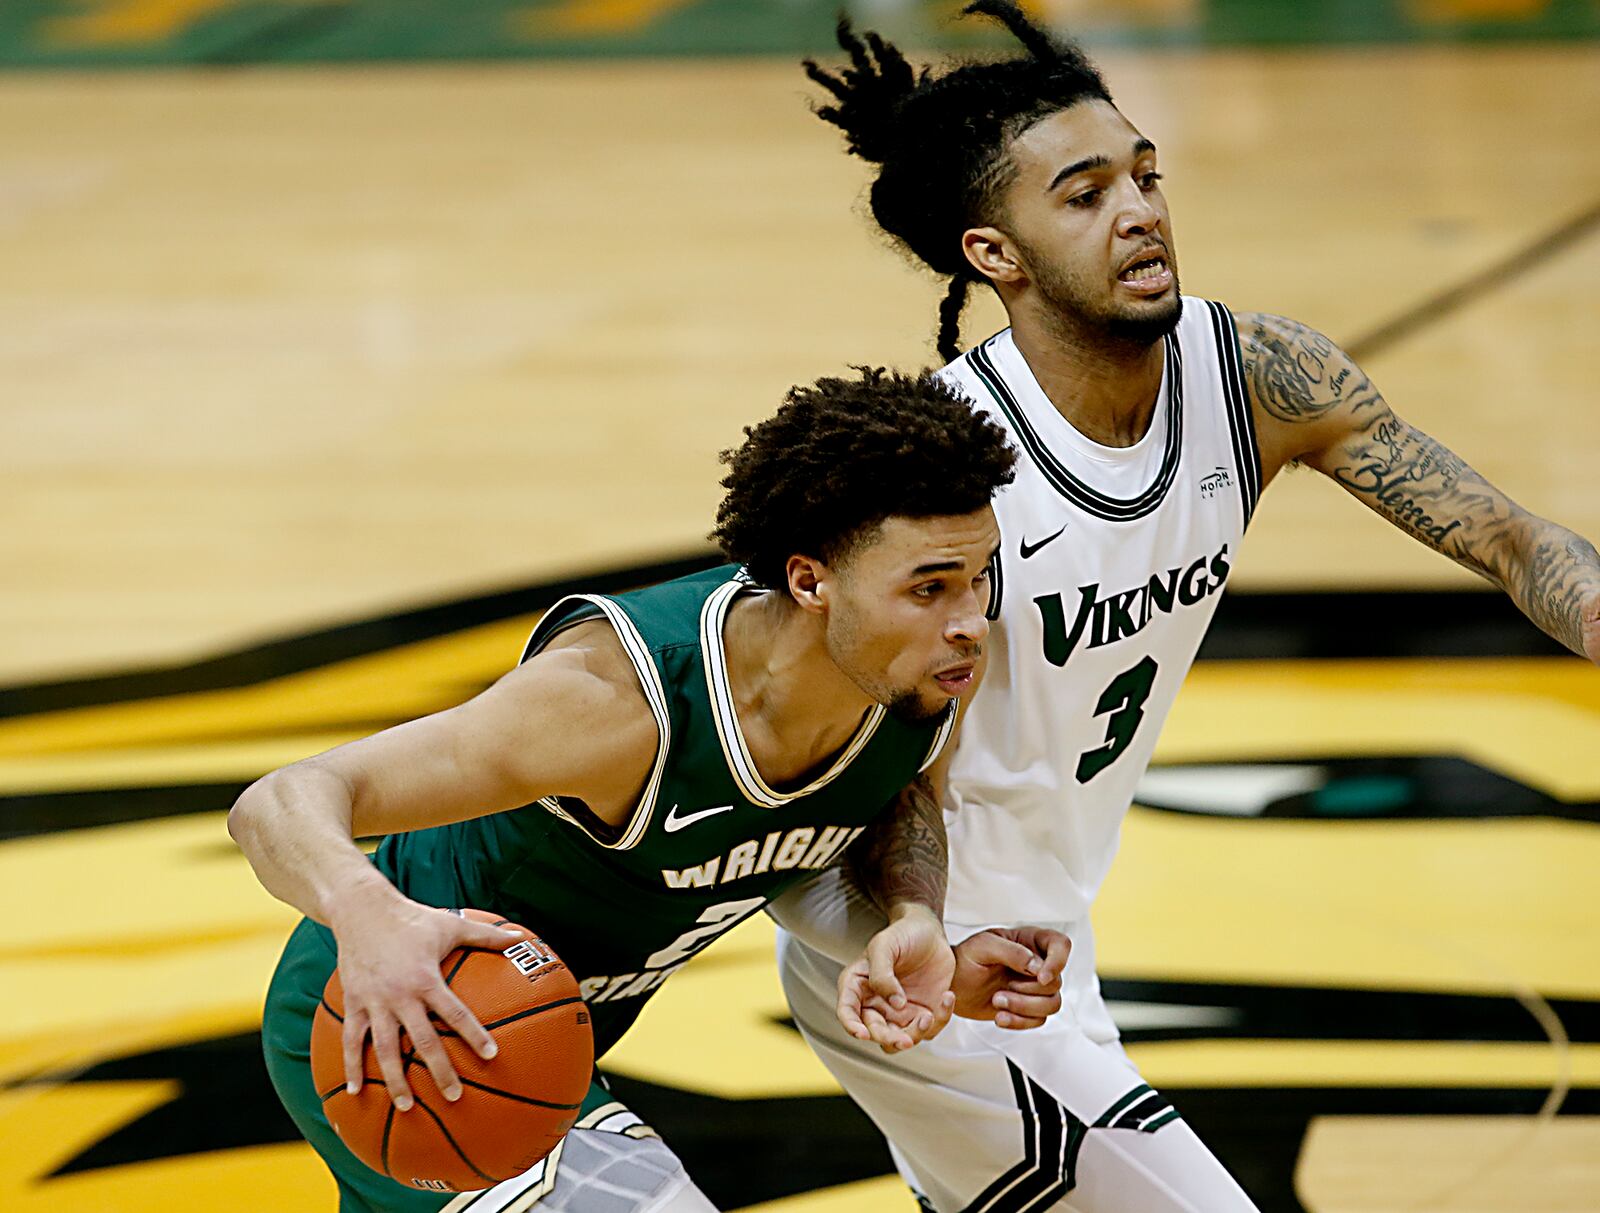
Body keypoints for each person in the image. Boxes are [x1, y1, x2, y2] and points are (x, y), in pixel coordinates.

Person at [774, 5, 1600, 1211]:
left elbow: (1513, 539)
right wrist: (924, 931)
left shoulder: (1260, 376)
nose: (1141, 210)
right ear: (994, 253)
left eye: (1145, 175)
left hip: (1051, 937)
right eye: (1084, 193)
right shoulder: (946, 472)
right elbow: (878, 775)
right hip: (933, 957)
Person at [230, 366, 1078, 1213]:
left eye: (979, 575)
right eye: (929, 586)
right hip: (400, 1023)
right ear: (811, 581)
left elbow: (893, 800)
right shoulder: (616, 704)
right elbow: (280, 799)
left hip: (548, 1039)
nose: (970, 615)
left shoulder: (924, 677)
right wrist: (368, 916)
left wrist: (912, 919)